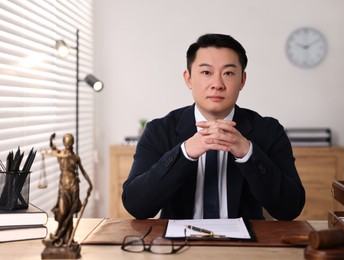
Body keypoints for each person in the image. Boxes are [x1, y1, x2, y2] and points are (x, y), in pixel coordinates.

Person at [122, 33, 305, 220]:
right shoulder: (159, 130)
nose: (217, 84)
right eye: (206, 73)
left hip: (246, 246)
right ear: (188, 79)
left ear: (242, 80)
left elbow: (290, 208)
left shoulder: (268, 130)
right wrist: (185, 152)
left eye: (228, 73)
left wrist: (248, 153)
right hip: (178, 245)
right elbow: (136, 206)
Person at [43, 133, 93, 246]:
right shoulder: (61, 155)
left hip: (74, 186)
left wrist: (90, 184)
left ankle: (67, 238)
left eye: (69, 141)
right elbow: (53, 148)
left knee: (70, 213)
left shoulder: (75, 157)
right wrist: (51, 139)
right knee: (62, 211)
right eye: (66, 142)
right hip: (63, 187)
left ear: (72, 143)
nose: (67, 144)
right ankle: (58, 235)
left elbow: (83, 171)